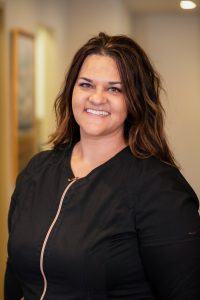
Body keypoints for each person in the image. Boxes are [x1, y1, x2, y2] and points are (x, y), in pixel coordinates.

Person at [4, 32, 200, 300]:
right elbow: (15, 272)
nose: (97, 98)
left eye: (114, 89)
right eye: (86, 84)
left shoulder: (161, 189)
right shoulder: (37, 171)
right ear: (72, 89)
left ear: (135, 100)